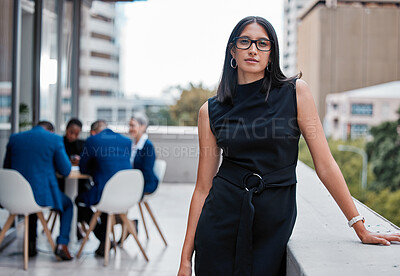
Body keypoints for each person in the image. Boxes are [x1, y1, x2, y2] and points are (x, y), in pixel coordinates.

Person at [178, 16, 400, 276]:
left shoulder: (295, 92)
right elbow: (203, 188)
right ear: (232, 50)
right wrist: (185, 259)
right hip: (220, 218)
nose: (253, 49)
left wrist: (359, 225)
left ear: (272, 54)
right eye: (245, 41)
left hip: (273, 219)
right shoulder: (210, 110)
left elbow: (325, 164)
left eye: (263, 44)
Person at [3, 121, 74, 261]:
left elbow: (7, 167)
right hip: (41, 196)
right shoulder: (54, 139)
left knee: (31, 203)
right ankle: (62, 244)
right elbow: (66, 170)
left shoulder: (15, 138)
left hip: (15, 196)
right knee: (68, 205)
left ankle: (30, 244)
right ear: (51, 131)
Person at [76, 120, 131, 256]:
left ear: (93, 132)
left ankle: (104, 238)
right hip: (127, 193)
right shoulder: (126, 141)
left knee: (79, 201)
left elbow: (83, 168)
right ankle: (104, 244)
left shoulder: (92, 140)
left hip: (105, 193)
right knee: (105, 209)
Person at [129, 113, 158, 195]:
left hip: (146, 184)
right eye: (129, 126)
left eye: (133, 126)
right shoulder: (131, 144)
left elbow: (147, 171)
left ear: (143, 126)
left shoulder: (148, 146)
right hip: (134, 181)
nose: (130, 129)